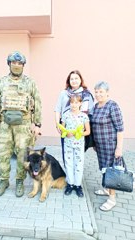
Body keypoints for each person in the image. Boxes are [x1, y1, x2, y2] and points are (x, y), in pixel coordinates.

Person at [0, 51, 42, 198]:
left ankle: (19, 181)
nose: (16, 66)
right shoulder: (1, 82)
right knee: (2, 154)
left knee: (22, 155)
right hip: (5, 125)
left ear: (23, 65)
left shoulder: (30, 83)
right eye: (13, 63)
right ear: (9, 64)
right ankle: (4, 180)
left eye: (19, 63)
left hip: (24, 125)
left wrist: (37, 124)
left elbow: (37, 103)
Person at [91, 81, 124, 211]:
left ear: (107, 93)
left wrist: (119, 148)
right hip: (100, 146)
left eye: (101, 92)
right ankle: (106, 189)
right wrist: (94, 143)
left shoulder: (112, 106)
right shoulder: (95, 106)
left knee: (111, 172)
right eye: (96, 92)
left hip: (111, 145)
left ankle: (112, 199)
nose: (98, 94)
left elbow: (120, 129)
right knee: (104, 169)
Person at [55, 70, 94, 165]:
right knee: (66, 152)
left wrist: (84, 130)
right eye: (71, 79)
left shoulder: (86, 94)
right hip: (66, 126)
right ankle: (69, 176)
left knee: (78, 154)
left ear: (81, 80)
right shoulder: (63, 93)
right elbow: (58, 109)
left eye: (76, 78)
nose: (74, 80)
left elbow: (90, 113)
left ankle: (77, 174)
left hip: (80, 128)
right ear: (69, 81)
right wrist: (57, 125)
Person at [60, 95, 90, 197]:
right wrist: (65, 132)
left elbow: (88, 131)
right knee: (69, 163)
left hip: (79, 145)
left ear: (80, 104)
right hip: (68, 144)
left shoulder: (84, 116)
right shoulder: (66, 115)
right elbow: (62, 129)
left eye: (76, 102)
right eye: (72, 102)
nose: (74, 105)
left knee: (79, 164)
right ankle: (70, 184)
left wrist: (79, 134)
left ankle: (78, 185)